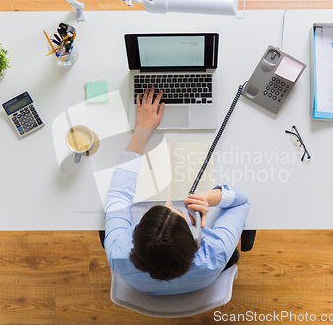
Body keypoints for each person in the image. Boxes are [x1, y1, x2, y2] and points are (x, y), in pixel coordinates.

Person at [104, 87, 250, 295]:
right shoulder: (215, 253)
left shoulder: (118, 254)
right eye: (176, 211)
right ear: (196, 236)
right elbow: (242, 201)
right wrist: (208, 198)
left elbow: (118, 194)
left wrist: (142, 130)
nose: (168, 203)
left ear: (135, 235)